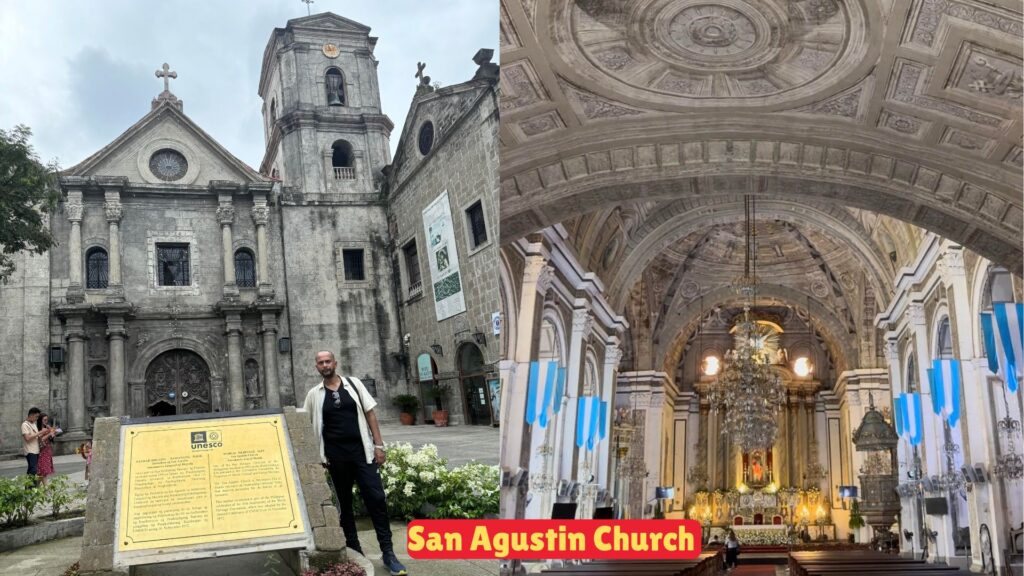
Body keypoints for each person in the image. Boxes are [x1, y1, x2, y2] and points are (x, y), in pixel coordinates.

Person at [302, 351, 408, 576]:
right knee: (345, 506)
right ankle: (355, 550)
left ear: (335, 363)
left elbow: (370, 414)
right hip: (335, 458)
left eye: (327, 361)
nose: (324, 365)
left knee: (377, 498)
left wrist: (379, 446)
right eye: (320, 362)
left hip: (362, 453)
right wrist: (316, 459)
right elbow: (308, 424)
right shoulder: (314, 394)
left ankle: (388, 553)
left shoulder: (354, 385)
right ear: (316, 367)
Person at [21, 407, 46, 477]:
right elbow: (27, 438)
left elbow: (36, 436)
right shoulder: (24, 425)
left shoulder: (34, 424)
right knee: (33, 470)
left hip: (36, 450)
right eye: (36, 417)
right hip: (30, 451)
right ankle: (31, 487)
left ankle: (29, 487)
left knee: (32, 470)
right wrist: (40, 432)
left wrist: (41, 438)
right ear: (31, 415)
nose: (37, 419)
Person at [35, 414, 58, 483]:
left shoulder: (47, 428)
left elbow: (50, 438)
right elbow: (40, 439)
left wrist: (53, 433)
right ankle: (47, 491)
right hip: (41, 452)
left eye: (46, 420)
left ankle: (35, 489)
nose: (46, 421)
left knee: (41, 473)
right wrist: (49, 434)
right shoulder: (38, 429)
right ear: (40, 420)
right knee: (43, 472)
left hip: (47, 450)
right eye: (44, 420)